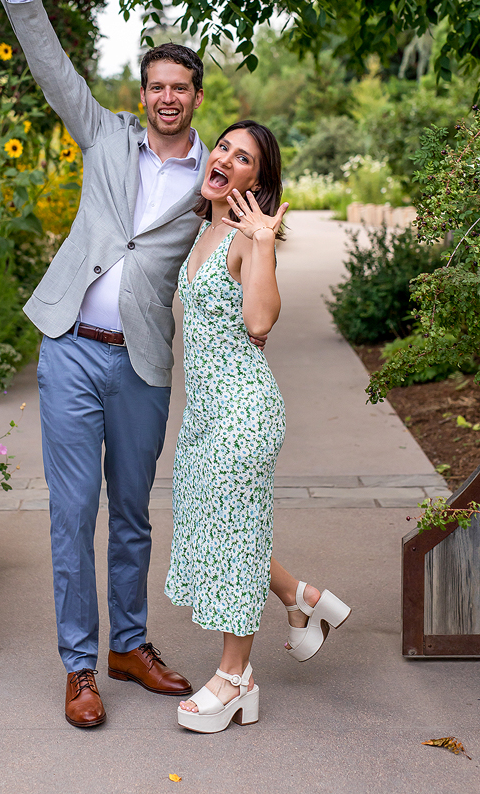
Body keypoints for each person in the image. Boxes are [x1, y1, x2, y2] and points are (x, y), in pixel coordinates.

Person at [0, 0, 266, 729]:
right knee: (73, 513)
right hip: (71, 346)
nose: (167, 99)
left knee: (133, 512)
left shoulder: (215, 183)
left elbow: (249, 249)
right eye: (156, 87)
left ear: (196, 95)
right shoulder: (103, 136)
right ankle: (79, 666)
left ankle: (128, 645)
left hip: (141, 364)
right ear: (140, 94)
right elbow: (48, 64)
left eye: (181, 88)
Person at [165, 120, 351, 734]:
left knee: (233, 535)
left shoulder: (246, 238)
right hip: (205, 412)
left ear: (258, 180)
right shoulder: (204, 229)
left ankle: (235, 678)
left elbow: (260, 322)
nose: (224, 158)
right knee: (223, 527)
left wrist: (264, 244)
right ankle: (303, 598)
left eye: (242, 158)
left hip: (242, 412)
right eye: (222, 147)